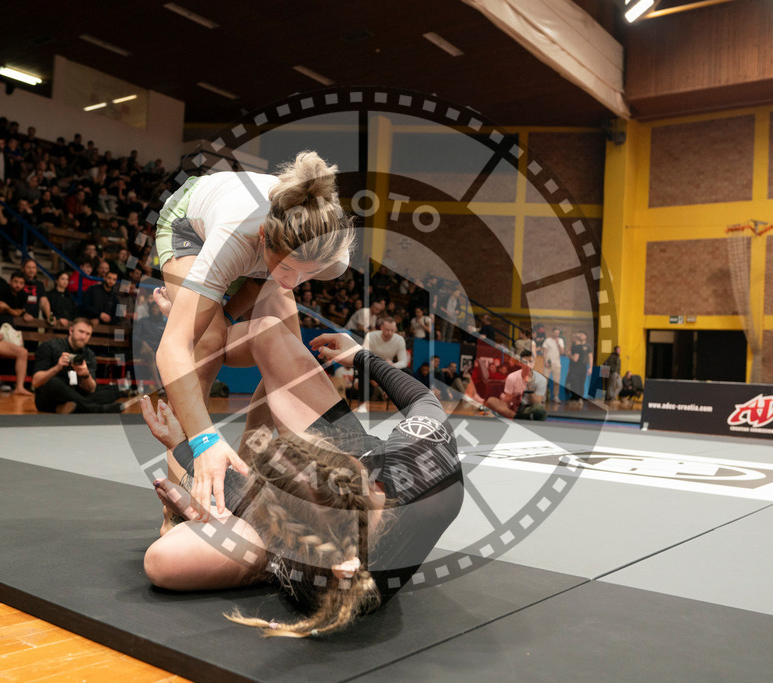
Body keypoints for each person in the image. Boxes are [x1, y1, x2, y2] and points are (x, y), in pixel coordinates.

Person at [141, 324, 462, 638]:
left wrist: (183, 449)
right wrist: (360, 356)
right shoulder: (424, 460)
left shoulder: (305, 566)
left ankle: (214, 516)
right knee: (269, 332)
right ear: (354, 464)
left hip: (315, 544)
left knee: (164, 561)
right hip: (362, 496)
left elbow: (248, 503)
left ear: (285, 528)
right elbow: (423, 400)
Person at [154, 151, 355, 519]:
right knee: (205, 345)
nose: (295, 283)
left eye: (307, 274)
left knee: (288, 356)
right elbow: (171, 350)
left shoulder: (330, 256)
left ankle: (246, 476)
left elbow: (264, 280)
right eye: (290, 268)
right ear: (264, 237)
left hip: (258, 260)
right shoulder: (237, 234)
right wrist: (204, 440)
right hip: (189, 225)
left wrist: (222, 314)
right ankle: (178, 509)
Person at [31, 317, 122, 414]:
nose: (84, 337)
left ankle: (71, 407)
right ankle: (95, 408)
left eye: (88, 334)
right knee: (54, 382)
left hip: (75, 393)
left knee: (115, 390)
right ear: (71, 331)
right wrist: (57, 368)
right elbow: (36, 382)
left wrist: (86, 375)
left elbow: (91, 389)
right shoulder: (50, 346)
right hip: (51, 397)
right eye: (81, 332)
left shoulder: (89, 354)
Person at [483, 351, 547, 420]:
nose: (528, 365)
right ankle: (519, 416)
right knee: (491, 400)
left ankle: (520, 416)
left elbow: (537, 402)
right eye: (525, 362)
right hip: (514, 408)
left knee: (540, 409)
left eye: (530, 362)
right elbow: (507, 400)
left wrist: (529, 385)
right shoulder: (511, 377)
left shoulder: (541, 380)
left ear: (534, 363)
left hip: (530, 408)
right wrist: (512, 398)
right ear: (520, 363)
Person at [542, 327, 564, 403]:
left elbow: (562, 352)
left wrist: (558, 344)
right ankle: (544, 396)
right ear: (552, 332)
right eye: (555, 333)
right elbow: (545, 351)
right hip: (548, 363)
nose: (556, 334)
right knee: (545, 381)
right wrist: (545, 361)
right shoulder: (547, 340)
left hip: (557, 364)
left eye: (558, 333)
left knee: (556, 381)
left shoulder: (561, 340)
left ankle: (556, 396)